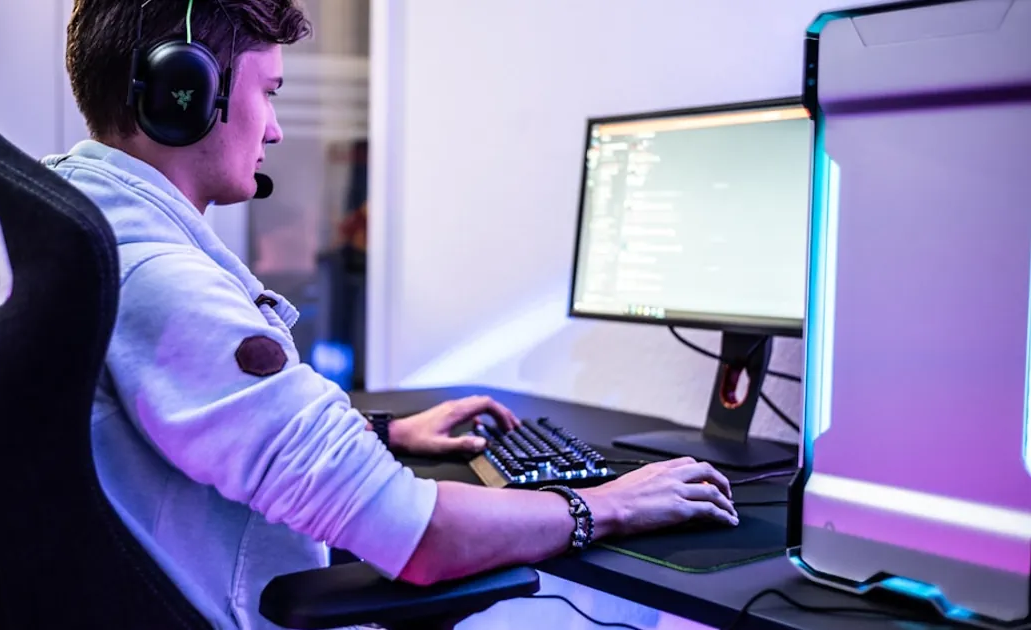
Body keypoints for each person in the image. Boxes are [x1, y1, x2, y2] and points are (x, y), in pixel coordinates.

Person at [47, 1, 739, 628]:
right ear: (185, 93)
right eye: (270, 93)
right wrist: (611, 505)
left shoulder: (68, 229)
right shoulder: (159, 279)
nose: (278, 129)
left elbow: (201, 424)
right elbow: (422, 539)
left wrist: (383, 431)